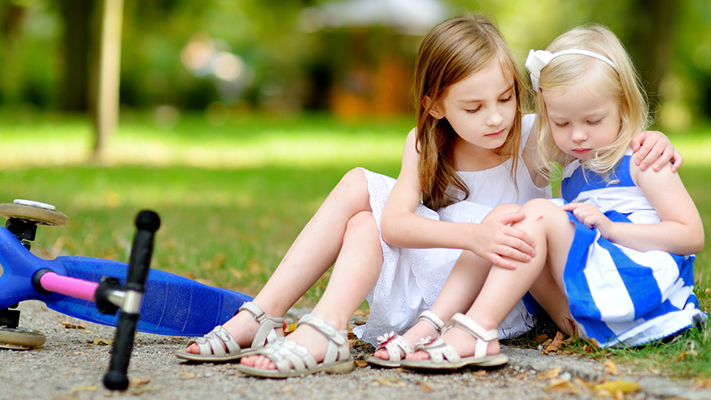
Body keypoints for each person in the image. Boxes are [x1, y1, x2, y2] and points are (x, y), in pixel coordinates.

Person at [174, 15, 679, 377]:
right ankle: (281, 318)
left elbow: (597, 133)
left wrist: (652, 138)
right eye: (474, 106)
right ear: (435, 106)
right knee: (359, 202)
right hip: (428, 280)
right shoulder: (423, 144)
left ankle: (283, 322)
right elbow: (394, 226)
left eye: (506, 98)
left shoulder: (534, 136)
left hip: (488, 291)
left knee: (373, 193)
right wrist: (471, 235)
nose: (496, 118)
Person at [400, 25, 705, 370]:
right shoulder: (574, 169)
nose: (577, 135)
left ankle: (479, 327)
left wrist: (613, 230)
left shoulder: (642, 159)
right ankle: (450, 322)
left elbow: (691, 236)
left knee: (538, 213)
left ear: (624, 104)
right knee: (510, 220)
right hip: (587, 309)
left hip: (637, 291)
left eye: (593, 119)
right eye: (561, 123)